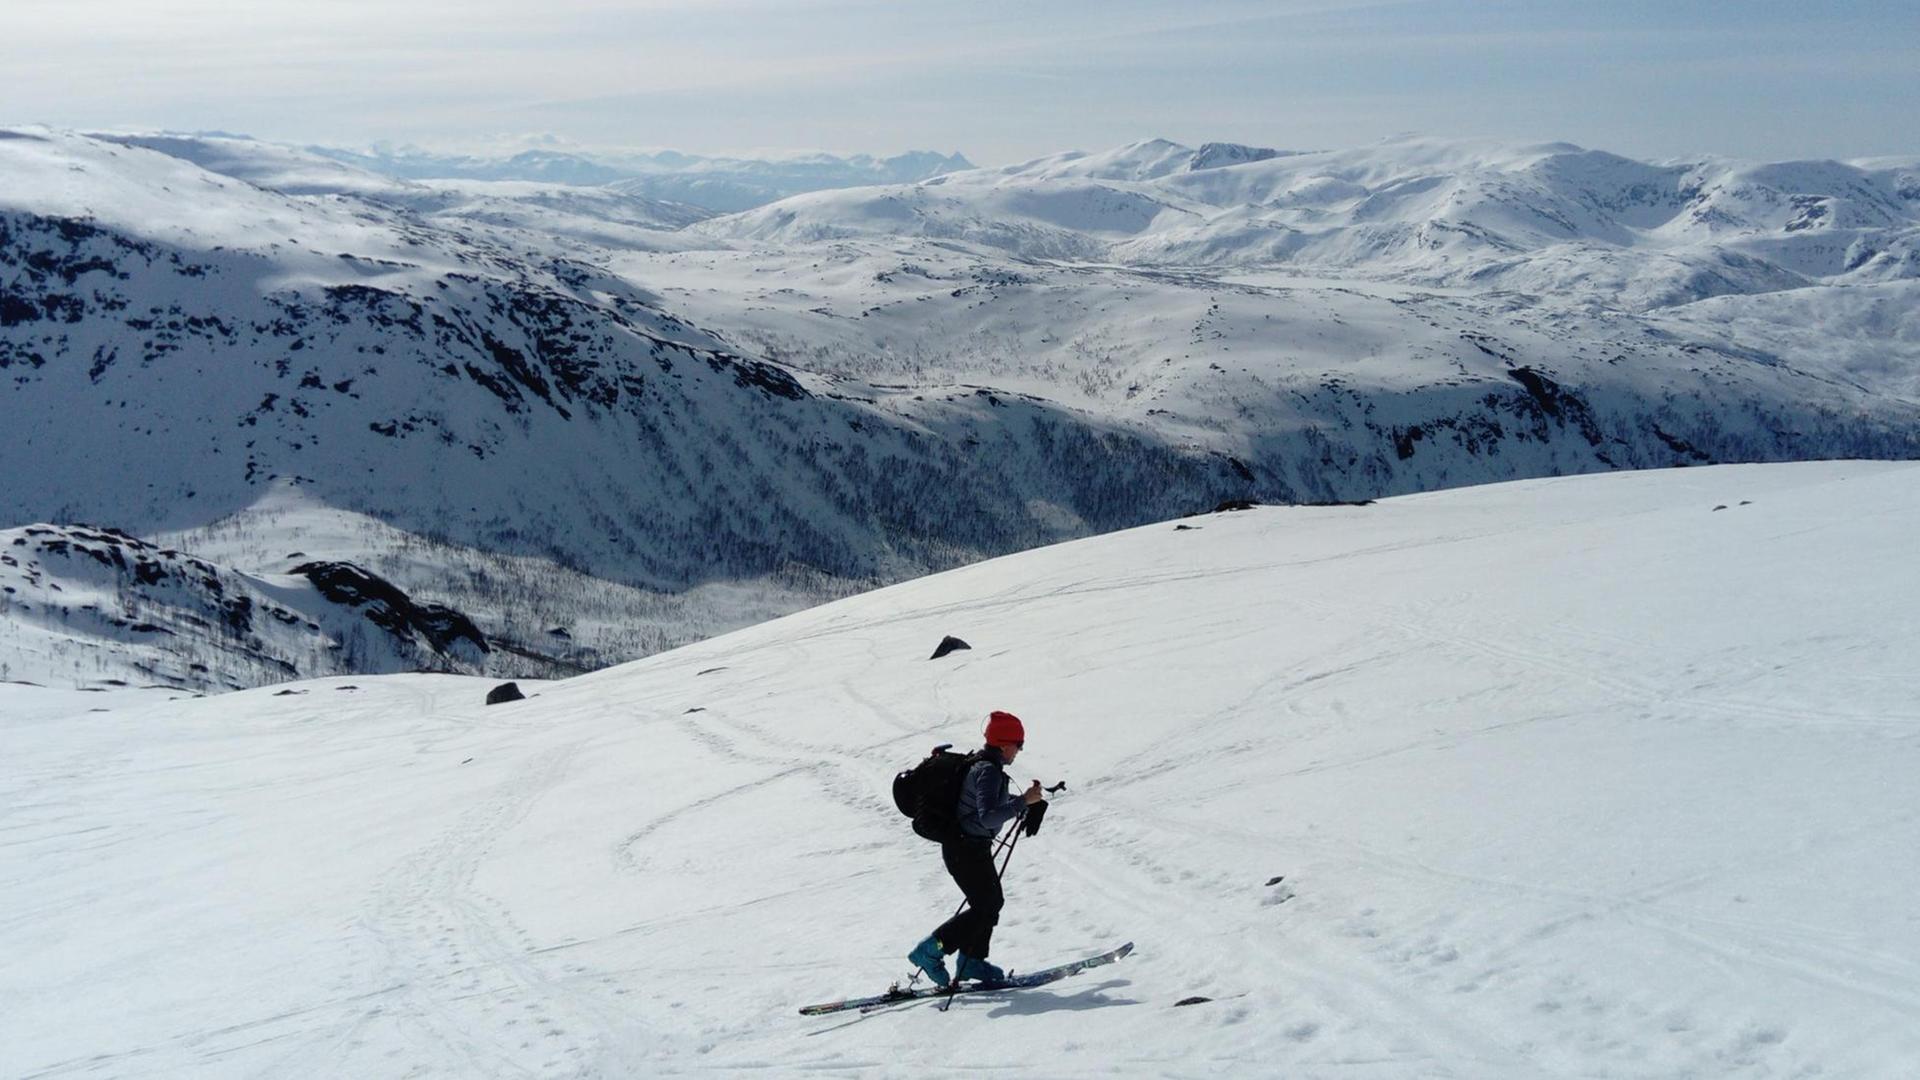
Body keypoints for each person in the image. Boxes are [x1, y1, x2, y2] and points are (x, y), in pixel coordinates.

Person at [907, 710, 1045, 987]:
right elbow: (988, 816)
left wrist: (1028, 803)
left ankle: (972, 961)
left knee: (988, 903)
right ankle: (930, 951)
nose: (1019, 751)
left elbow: (989, 806)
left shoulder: (985, 767)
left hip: (968, 848)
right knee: (987, 905)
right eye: (1019, 745)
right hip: (965, 849)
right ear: (1005, 745)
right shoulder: (988, 771)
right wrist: (1023, 803)